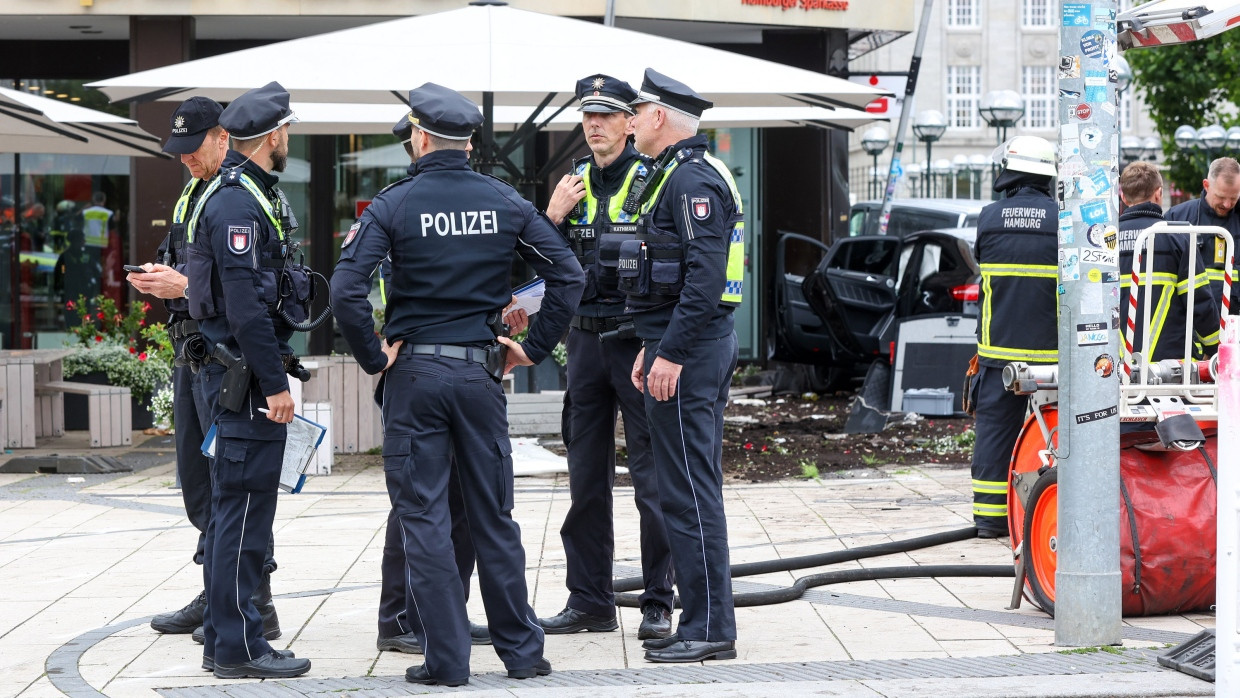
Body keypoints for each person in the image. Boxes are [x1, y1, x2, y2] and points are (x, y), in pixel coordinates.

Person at [330, 82, 583, 687]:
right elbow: (568, 275)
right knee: (494, 517)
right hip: (479, 374)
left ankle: (447, 661)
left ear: (418, 137)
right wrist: (533, 347)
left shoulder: (393, 204)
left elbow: (343, 292)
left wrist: (374, 357)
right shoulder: (506, 202)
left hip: (415, 376)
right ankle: (522, 655)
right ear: (469, 143)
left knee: (424, 518)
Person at [130, 96, 282, 646]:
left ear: (222, 137)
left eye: (193, 149)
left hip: (225, 361)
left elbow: (245, 292)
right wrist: (164, 278)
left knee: (232, 485)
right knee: (201, 487)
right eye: (178, 152)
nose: (185, 160)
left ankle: (250, 602)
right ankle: (218, 591)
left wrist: (184, 287)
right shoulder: (196, 191)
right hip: (191, 353)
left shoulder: (240, 198)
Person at [537, 74, 674, 641]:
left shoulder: (655, 180)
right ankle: (589, 600)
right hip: (586, 346)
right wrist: (549, 217)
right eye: (587, 115)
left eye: (607, 115)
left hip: (637, 343)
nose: (594, 124)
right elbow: (539, 266)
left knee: (651, 479)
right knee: (584, 479)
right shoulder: (570, 185)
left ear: (629, 121)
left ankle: (658, 602)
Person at [183, 81, 309, 680]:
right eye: (287, 133)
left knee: (239, 509)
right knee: (244, 512)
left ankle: (225, 641)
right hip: (244, 380)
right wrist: (275, 384)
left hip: (236, 374)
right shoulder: (238, 203)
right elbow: (246, 308)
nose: (289, 141)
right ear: (274, 136)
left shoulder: (241, 193)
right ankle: (238, 647)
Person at [622, 68, 745, 664]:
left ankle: (708, 628)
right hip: (682, 346)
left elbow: (703, 280)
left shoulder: (691, 180)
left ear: (661, 117)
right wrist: (654, 342)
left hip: (692, 353)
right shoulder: (674, 176)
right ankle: (700, 621)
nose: (629, 120)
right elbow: (672, 285)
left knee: (691, 491)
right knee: (682, 489)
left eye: (636, 110)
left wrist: (669, 350)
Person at [374, 115, 492, 655]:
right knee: (420, 504)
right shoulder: (402, 204)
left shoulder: (441, 200)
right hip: (421, 367)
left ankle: (442, 617)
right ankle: (402, 617)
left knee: (457, 502)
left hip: (448, 367)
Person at [968, 136, 1059, 539]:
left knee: (994, 434)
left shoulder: (989, 217)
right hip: (1052, 356)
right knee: (1057, 434)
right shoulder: (1063, 220)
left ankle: (990, 519)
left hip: (998, 351)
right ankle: (1050, 513)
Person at [1118, 160, 1220, 363]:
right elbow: (1199, 300)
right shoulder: (1179, 236)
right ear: (1158, 193)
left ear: (1123, 196)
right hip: (1171, 367)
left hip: (1115, 365)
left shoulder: (1105, 239)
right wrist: (1213, 348)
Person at [1165, 157, 1240, 311]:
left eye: (1233, 198)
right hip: (1189, 323)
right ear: (1206, 185)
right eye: (1220, 197)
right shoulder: (1178, 217)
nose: (1227, 204)